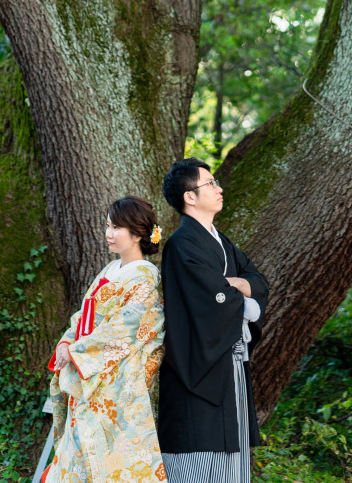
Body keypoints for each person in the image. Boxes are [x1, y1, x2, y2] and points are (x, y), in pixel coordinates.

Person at [157, 158, 270, 483]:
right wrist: (236, 288)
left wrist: (232, 285)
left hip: (228, 364)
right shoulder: (181, 245)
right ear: (190, 196)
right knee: (193, 461)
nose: (219, 189)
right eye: (211, 184)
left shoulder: (220, 241)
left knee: (230, 463)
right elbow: (212, 299)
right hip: (196, 367)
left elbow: (258, 282)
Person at [46, 195, 166, 483]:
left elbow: (126, 329)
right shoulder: (110, 271)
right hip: (90, 374)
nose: (108, 234)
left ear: (137, 233)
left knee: (112, 461)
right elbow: (83, 316)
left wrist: (77, 351)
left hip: (113, 383)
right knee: (80, 455)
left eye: (116, 228)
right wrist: (67, 343)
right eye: (107, 226)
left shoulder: (145, 279)